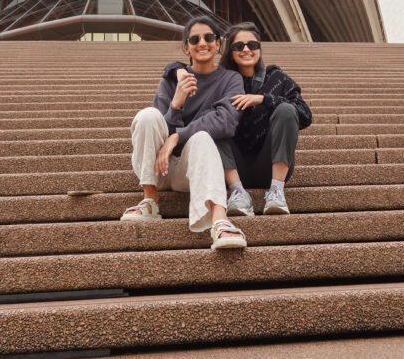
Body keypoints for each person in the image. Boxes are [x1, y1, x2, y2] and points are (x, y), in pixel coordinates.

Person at [121, 16, 249, 249]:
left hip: (190, 170)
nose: (202, 43)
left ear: (218, 43)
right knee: (148, 115)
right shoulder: (172, 79)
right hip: (157, 167)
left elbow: (227, 122)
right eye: (195, 39)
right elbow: (159, 126)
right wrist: (176, 104)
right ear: (186, 47)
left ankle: (220, 221)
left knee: (202, 136)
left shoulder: (231, 79)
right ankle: (149, 199)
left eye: (209, 38)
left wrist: (177, 136)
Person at [169, 21, 312, 216]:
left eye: (252, 45)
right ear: (230, 52)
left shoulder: (275, 76)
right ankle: (238, 192)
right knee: (215, 120)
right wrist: (176, 69)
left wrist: (264, 99)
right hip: (233, 167)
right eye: (238, 46)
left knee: (286, 110)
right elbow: (184, 67)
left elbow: (305, 114)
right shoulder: (223, 81)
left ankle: (277, 191)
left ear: (259, 49)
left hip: (270, 165)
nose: (246, 50)